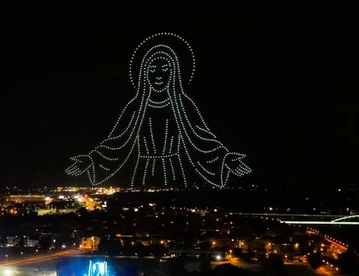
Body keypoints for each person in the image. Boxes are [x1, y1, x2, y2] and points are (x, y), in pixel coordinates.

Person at [66, 33, 249, 188]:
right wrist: (91, 160)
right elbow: (117, 141)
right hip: (143, 171)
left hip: (175, 170)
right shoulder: (136, 106)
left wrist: (225, 158)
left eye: (165, 68)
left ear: (174, 72)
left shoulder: (183, 105)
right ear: (145, 73)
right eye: (153, 69)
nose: (159, 74)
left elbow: (202, 138)